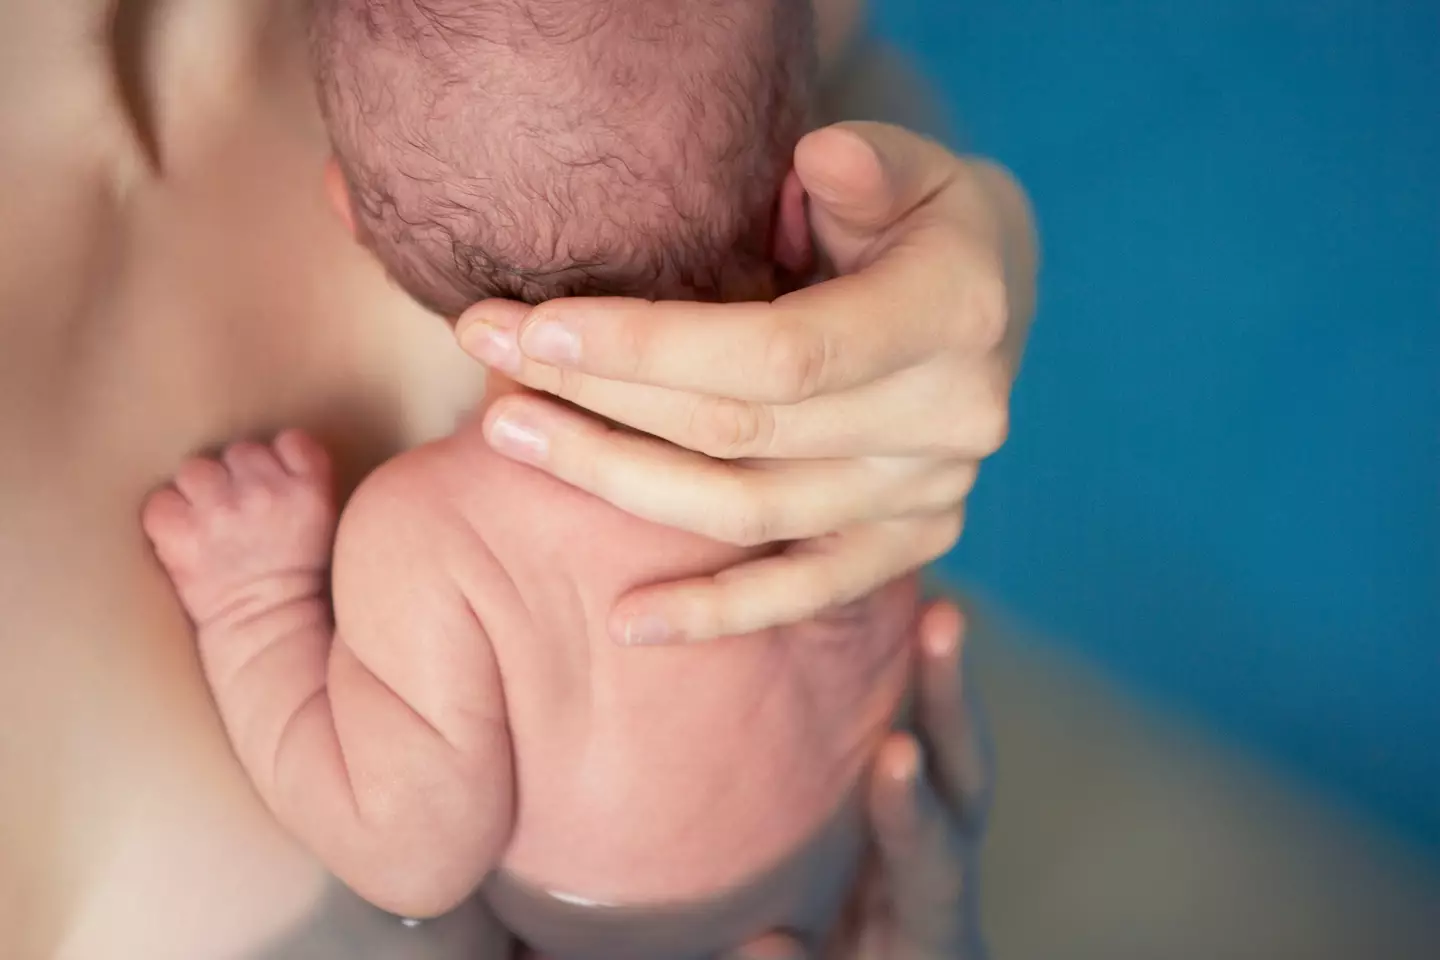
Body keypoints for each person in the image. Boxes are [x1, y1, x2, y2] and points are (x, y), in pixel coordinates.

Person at [0, 0, 1032, 956]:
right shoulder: (834, 356)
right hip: (867, 840)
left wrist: (259, 610)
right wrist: (969, 228)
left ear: (354, 223)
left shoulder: (438, 537)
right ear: (794, 211)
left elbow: (410, 855)